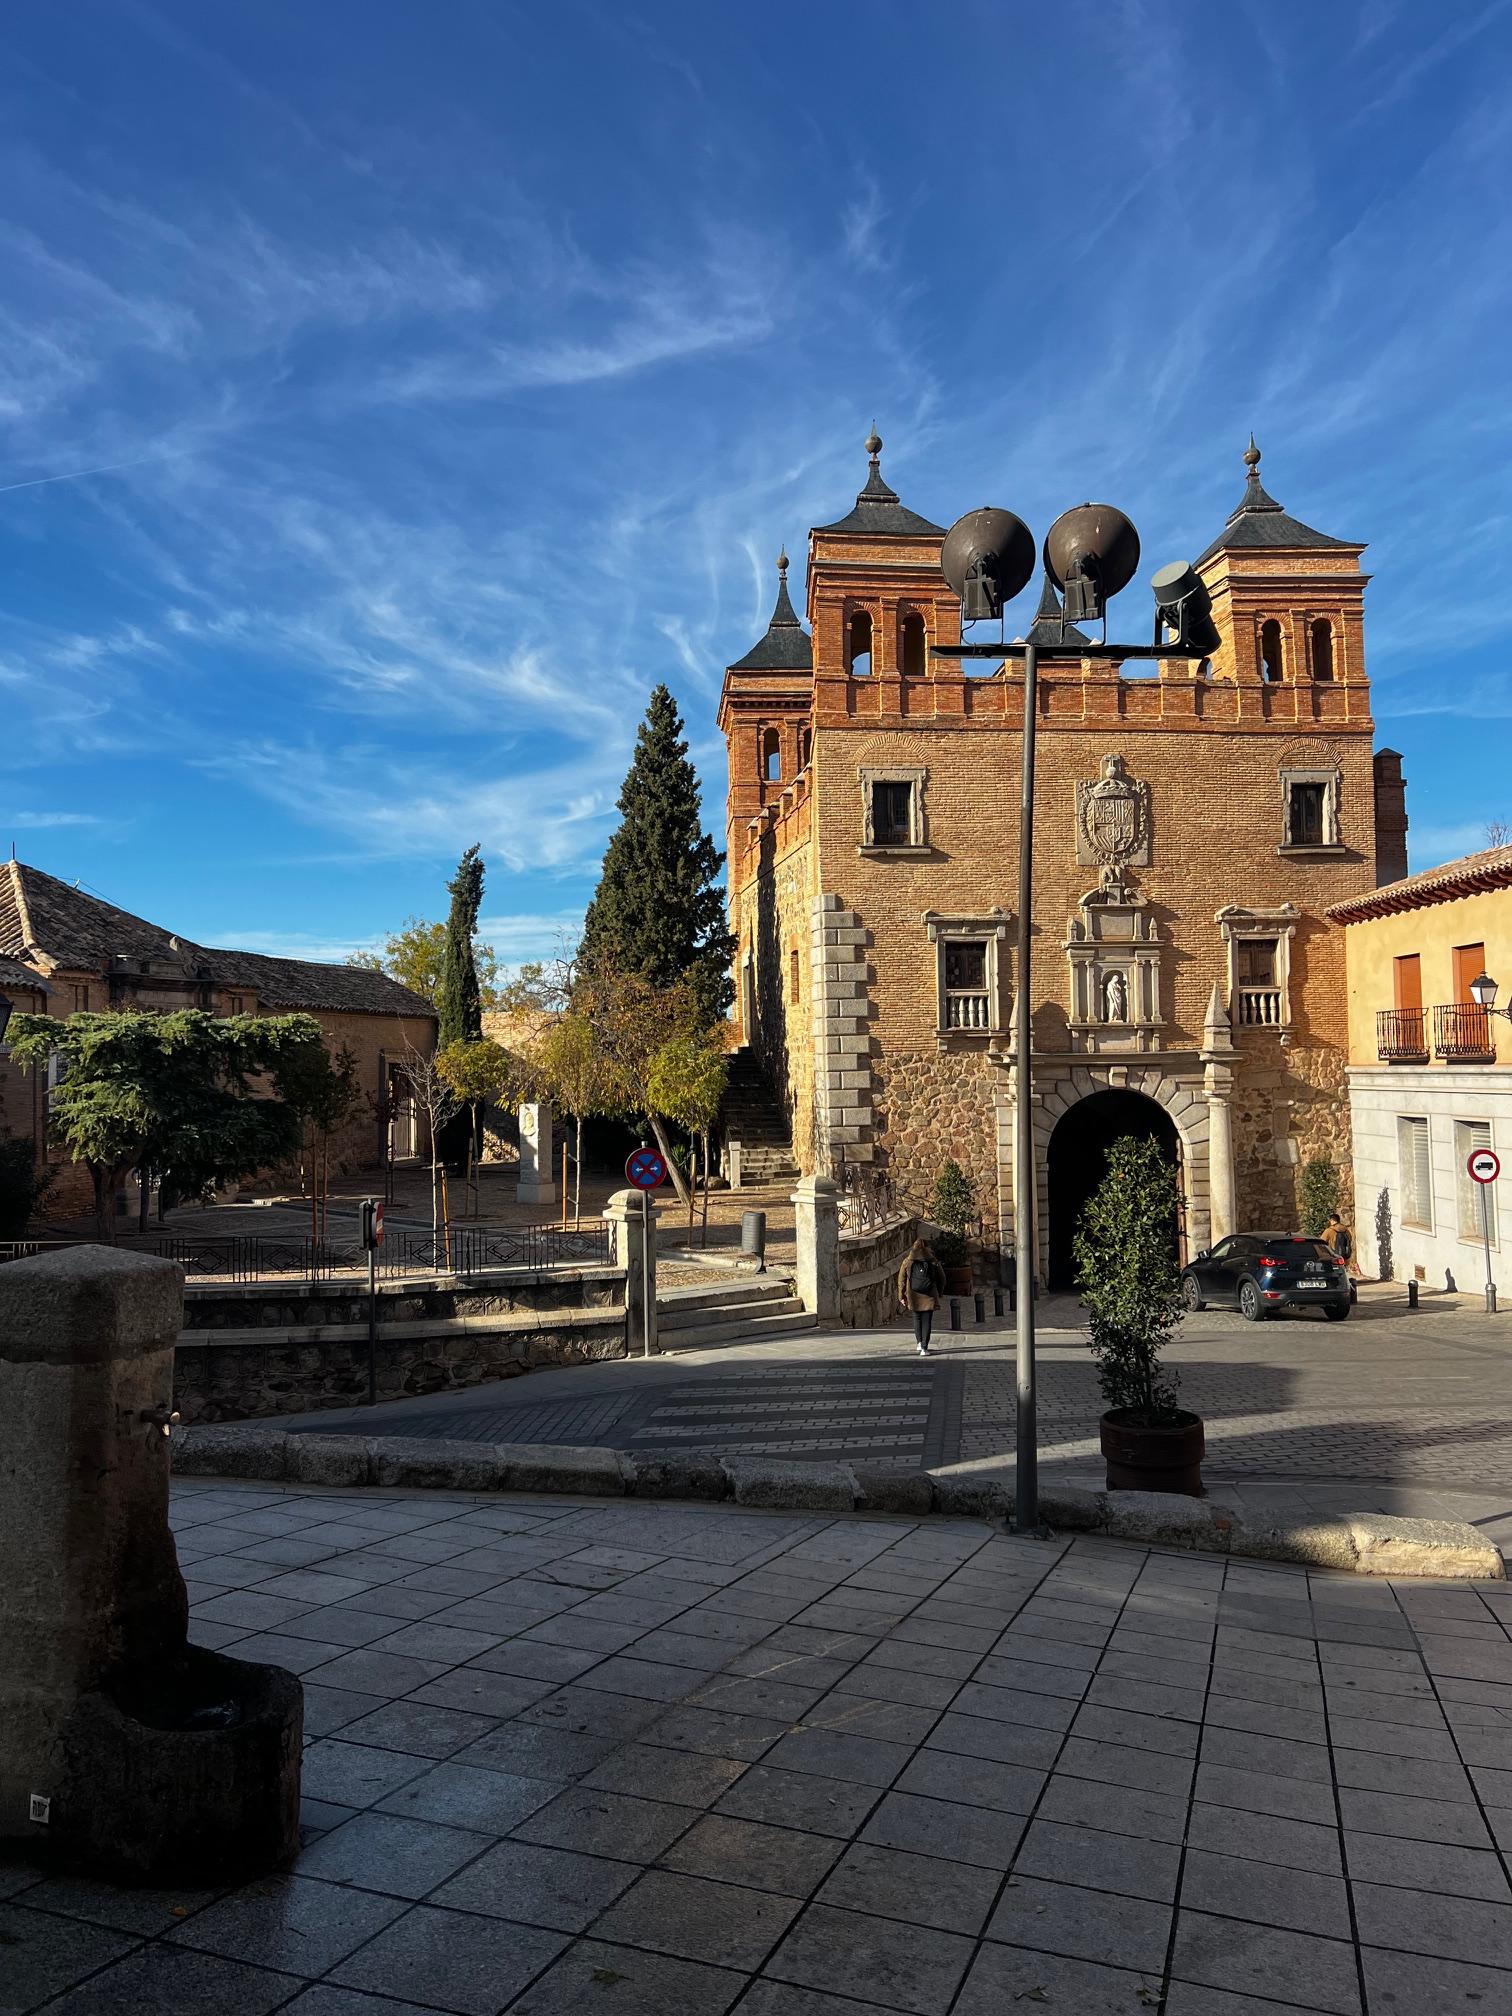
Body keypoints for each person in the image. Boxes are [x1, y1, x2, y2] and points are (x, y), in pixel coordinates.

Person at [897, 1237, 947, 1355]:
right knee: (927, 1320)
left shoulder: (907, 1261)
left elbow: (901, 1280)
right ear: (927, 1248)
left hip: (913, 1294)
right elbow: (942, 1278)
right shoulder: (933, 1261)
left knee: (917, 1318)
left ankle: (919, 1343)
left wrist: (901, 1296)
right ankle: (924, 1348)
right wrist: (940, 1292)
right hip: (929, 1294)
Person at [1323, 1211, 1358, 1276]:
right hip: (1345, 1256)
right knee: (1344, 1273)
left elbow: (1322, 1242)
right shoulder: (1346, 1230)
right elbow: (1350, 1240)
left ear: (1332, 1220)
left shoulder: (1329, 1231)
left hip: (1333, 1257)